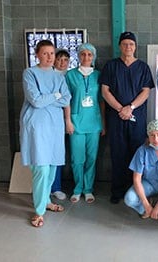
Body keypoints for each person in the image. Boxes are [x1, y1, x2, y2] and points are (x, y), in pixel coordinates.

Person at [19, 40, 71, 227]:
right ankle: (39, 211)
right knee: (41, 168)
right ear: (37, 54)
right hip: (36, 125)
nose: (49, 57)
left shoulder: (59, 77)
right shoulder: (30, 73)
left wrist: (50, 97)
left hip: (54, 126)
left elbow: (67, 98)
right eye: (45, 53)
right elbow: (36, 101)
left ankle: (47, 202)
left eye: (52, 53)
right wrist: (55, 96)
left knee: (51, 167)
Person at [100, 32, 155, 204]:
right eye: (124, 44)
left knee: (137, 154)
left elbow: (146, 91)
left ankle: (137, 190)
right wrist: (120, 109)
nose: (128, 47)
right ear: (119, 46)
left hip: (136, 117)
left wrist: (130, 107)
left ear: (135, 46)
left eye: (131, 44)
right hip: (116, 118)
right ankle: (117, 191)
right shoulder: (111, 66)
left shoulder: (143, 67)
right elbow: (105, 91)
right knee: (118, 153)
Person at [64, 43, 105, 204]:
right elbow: (66, 100)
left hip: (94, 123)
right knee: (77, 158)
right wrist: (68, 121)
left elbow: (102, 101)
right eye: (83, 54)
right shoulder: (70, 75)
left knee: (91, 158)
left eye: (89, 54)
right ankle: (78, 188)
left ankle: (88, 189)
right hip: (76, 123)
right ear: (78, 56)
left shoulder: (99, 76)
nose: (86, 57)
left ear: (93, 56)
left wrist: (103, 123)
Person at [50, 49, 70, 200]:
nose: (62, 62)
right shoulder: (49, 76)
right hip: (52, 120)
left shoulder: (72, 76)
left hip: (69, 121)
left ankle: (58, 186)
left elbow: (66, 100)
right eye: (60, 59)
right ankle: (53, 187)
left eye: (66, 60)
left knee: (61, 154)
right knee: (53, 155)